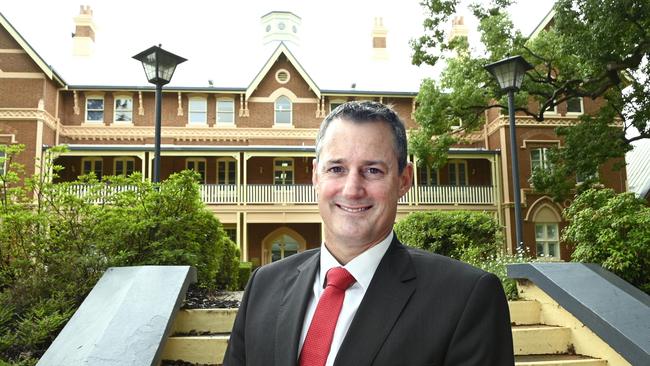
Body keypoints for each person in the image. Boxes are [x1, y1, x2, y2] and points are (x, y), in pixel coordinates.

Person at [223, 101, 514, 366]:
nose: (352, 189)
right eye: (336, 168)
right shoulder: (263, 286)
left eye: (373, 171)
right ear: (315, 176)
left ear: (404, 180)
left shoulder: (466, 297)